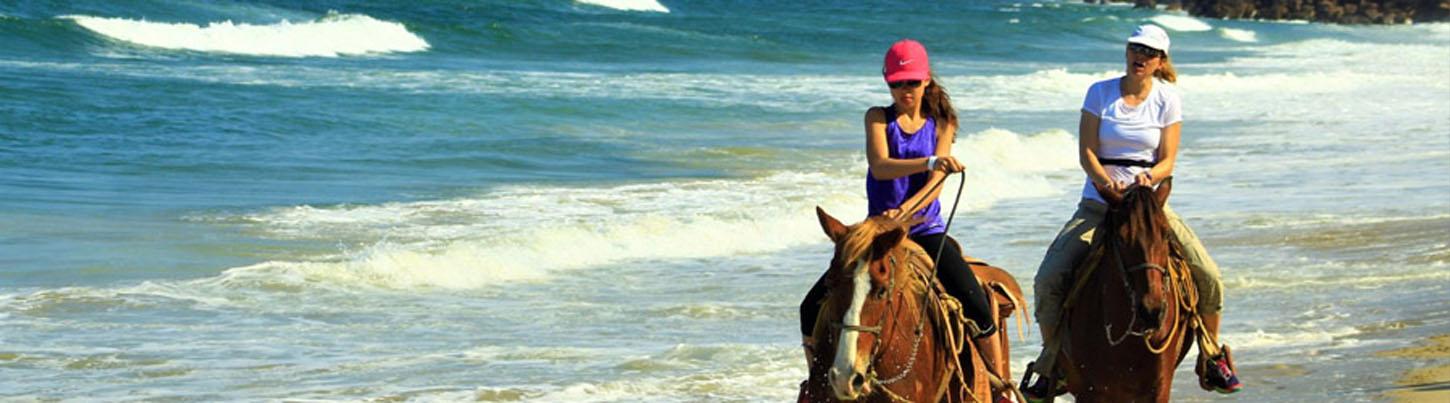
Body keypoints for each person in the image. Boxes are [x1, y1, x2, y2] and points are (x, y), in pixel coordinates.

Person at [1019, 25, 1241, 401]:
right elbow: (1086, 152)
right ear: (1126, 51)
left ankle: (1210, 354)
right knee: (1049, 278)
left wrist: (1146, 179)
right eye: (1136, 48)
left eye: (1149, 52)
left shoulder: (1167, 98)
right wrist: (1106, 182)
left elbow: (1167, 159)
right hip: (1099, 202)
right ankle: (1052, 361)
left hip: (1148, 205)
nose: (1141, 56)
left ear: (1160, 61)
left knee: (1208, 275)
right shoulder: (1099, 93)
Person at [799, 39, 996, 362]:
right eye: (897, 83)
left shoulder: (942, 122)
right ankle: (815, 383)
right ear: (887, 82)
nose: (905, 90)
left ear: (926, 80)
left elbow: (937, 183)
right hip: (878, 230)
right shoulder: (877, 117)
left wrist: (906, 210)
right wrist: (930, 162)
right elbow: (880, 165)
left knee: (978, 305)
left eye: (913, 82)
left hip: (926, 229)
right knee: (811, 307)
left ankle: (1000, 384)